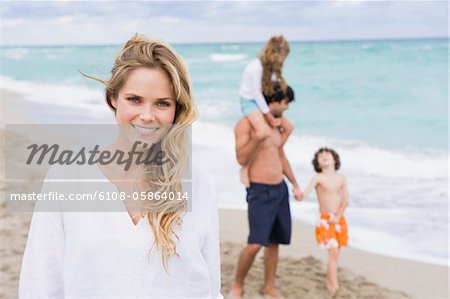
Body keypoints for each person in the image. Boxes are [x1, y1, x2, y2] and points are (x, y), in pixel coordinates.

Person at [19, 34, 222, 298]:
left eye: (162, 103)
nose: (147, 116)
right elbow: (40, 283)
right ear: (113, 98)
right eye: (135, 99)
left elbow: (210, 288)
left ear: (176, 110)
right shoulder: (68, 177)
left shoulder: (197, 183)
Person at [229, 85, 302, 299]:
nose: (287, 107)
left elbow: (280, 156)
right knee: (255, 243)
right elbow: (241, 158)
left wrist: (295, 184)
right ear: (271, 101)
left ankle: (269, 287)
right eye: (285, 102)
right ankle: (237, 285)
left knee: (274, 242)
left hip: (279, 189)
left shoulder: (277, 126)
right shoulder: (246, 124)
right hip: (260, 191)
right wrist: (259, 136)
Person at [238, 35, 290, 186]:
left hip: (261, 102)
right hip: (249, 102)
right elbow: (256, 93)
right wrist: (268, 116)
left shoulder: (269, 69)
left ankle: (276, 156)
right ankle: (246, 166)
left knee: (288, 127)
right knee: (264, 132)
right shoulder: (256, 67)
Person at [297, 147, 349, 295]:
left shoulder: (341, 178)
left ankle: (330, 281)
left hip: (339, 219)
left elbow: (345, 199)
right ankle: (333, 287)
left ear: (335, 160)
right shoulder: (318, 178)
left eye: (328, 154)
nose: (324, 156)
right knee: (332, 252)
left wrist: (338, 216)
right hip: (325, 220)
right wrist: (299, 194)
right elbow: (304, 193)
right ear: (318, 164)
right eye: (321, 156)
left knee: (336, 253)